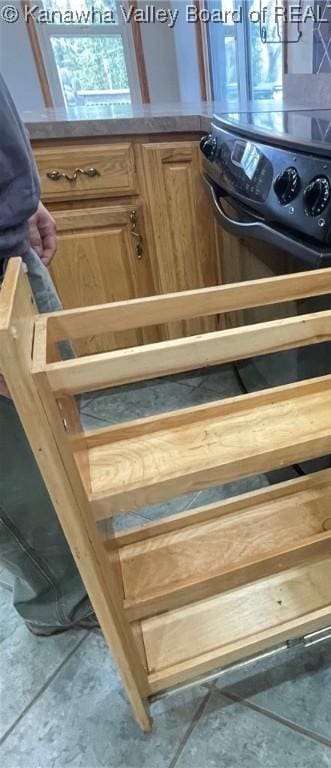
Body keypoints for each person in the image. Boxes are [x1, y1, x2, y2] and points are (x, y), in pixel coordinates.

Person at [0, 74, 97, 635]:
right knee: (16, 460)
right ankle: (60, 598)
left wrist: (22, 198)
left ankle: (83, 552)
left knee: (56, 415)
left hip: (8, 243)